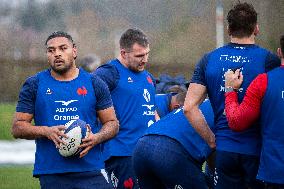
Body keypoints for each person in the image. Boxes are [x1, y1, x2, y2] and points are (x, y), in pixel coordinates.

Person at [183, 2, 281, 189]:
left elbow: (188, 107)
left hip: (224, 150)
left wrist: (211, 140)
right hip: (257, 152)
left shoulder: (209, 59)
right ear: (256, 28)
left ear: (228, 29)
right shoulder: (269, 60)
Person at [12, 31, 119, 189]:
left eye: (63, 48)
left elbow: (112, 123)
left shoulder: (95, 83)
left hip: (91, 169)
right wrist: (46, 131)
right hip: (53, 172)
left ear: (74, 51)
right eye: (51, 50)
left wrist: (97, 138)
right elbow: (17, 127)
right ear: (47, 54)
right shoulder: (34, 84)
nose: (57, 54)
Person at [93, 28, 157, 189]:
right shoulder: (109, 73)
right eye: (139, 56)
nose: (145, 59)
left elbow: (151, 111)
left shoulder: (149, 78)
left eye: (147, 54)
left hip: (150, 153)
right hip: (123, 154)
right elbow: (85, 98)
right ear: (123, 53)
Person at [224, 35, 284, 188]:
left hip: (276, 172)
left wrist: (230, 89)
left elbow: (237, 121)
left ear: (279, 52)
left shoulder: (263, 81)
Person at [133, 99, 215, 189]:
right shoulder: (221, 108)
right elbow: (216, 155)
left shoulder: (199, 103)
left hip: (141, 146)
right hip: (169, 150)